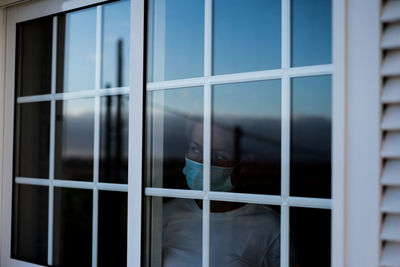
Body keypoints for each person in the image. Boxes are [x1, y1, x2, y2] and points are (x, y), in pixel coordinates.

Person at [162, 121, 281, 267]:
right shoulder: (166, 214)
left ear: (240, 164)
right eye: (195, 149)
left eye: (219, 156)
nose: (203, 163)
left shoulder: (269, 227)